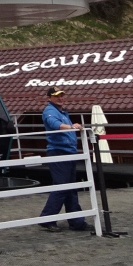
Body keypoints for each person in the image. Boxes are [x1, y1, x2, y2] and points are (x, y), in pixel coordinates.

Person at [40, 87, 90, 231]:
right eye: (57, 96)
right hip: (59, 152)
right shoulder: (50, 111)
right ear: (49, 98)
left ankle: (76, 221)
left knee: (69, 188)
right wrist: (71, 126)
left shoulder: (61, 112)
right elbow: (54, 124)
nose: (60, 98)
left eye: (61, 95)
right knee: (62, 186)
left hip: (67, 152)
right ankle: (48, 218)